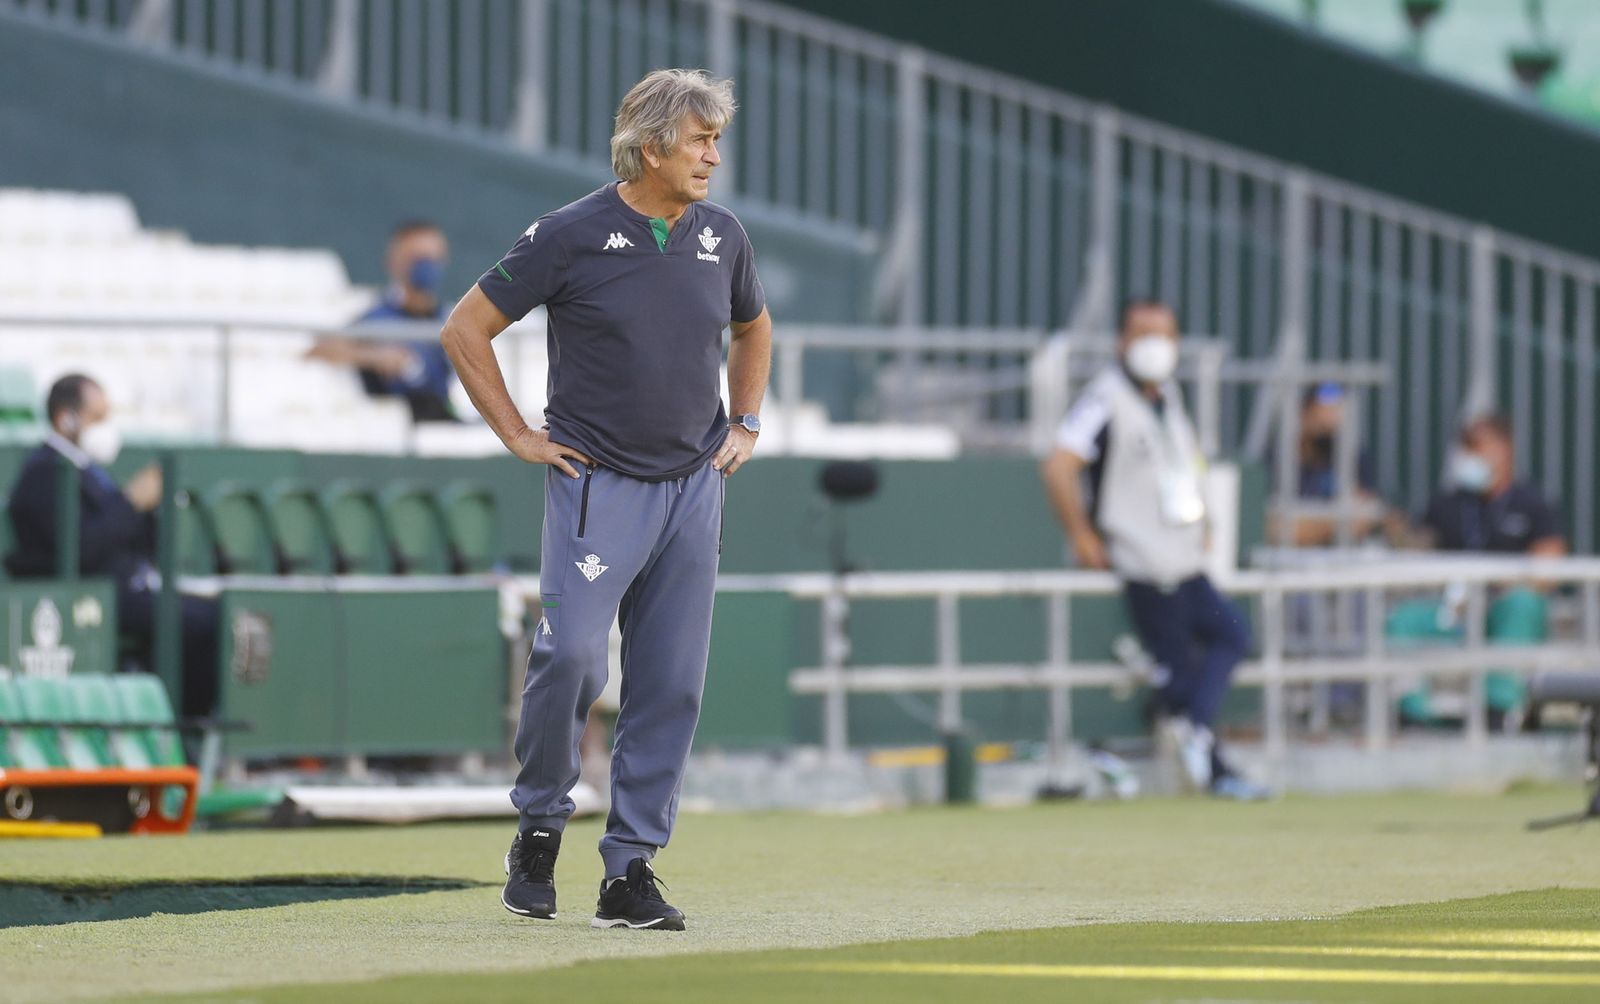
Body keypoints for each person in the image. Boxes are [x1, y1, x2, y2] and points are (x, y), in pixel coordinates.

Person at [440, 68, 771, 930]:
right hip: (598, 485)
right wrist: (517, 433)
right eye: (700, 139)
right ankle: (540, 825)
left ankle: (630, 871)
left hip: (694, 486)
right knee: (574, 659)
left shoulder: (723, 235)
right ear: (652, 144)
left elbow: (754, 325)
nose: (713, 155)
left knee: (670, 685)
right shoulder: (571, 232)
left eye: (716, 138)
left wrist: (747, 422)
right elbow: (465, 328)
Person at [1040, 299, 1265, 800]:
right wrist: (1081, 534)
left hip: (1182, 556)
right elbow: (1059, 465)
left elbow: (1183, 467)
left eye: (1163, 333)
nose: (1153, 344)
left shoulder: (1169, 398)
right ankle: (1201, 755)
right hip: (1143, 559)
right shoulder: (1104, 398)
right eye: (1142, 333)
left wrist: (1203, 519)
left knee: (1226, 639)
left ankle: (1186, 731)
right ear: (1121, 340)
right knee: (1183, 662)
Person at [4, 375, 220, 718]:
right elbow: (81, 548)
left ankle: (176, 717)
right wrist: (131, 502)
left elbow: (130, 540)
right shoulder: (44, 472)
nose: (105, 428)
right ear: (66, 418)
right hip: (89, 596)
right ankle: (183, 725)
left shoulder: (88, 470)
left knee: (217, 610)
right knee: (202, 622)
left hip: (125, 587)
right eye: (98, 417)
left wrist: (149, 509)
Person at [1389, 414, 1565, 727]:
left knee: (1520, 605)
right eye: (1465, 447)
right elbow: (1416, 550)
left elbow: (1547, 572)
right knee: (1404, 620)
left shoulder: (1532, 504)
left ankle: (1498, 712)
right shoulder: (1449, 503)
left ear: (1505, 449)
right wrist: (1393, 526)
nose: (1469, 455)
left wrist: (1492, 584)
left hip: (1500, 609)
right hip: (1454, 610)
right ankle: (1413, 716)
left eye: (1477, 446)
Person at [309, 220, 459, 422]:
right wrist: (375, 356)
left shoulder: (450, 318)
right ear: (395, 262)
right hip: (399, 425)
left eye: (433, 258)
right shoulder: (379, 319)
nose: (427, 266)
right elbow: (320, 350)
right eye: (417, 259)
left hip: (446, 420)